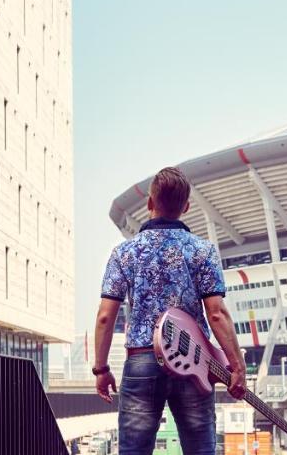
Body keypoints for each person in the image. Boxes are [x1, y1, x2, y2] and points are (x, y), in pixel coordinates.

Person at [91, 167, 247, 455]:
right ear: (186, 208)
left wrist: (101, 369)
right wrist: (237, 365)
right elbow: (216, 313)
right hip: (194, 362)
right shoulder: (203, 251)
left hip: (141, 361)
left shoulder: (124, 253)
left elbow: (104, 316)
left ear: (150, 203)